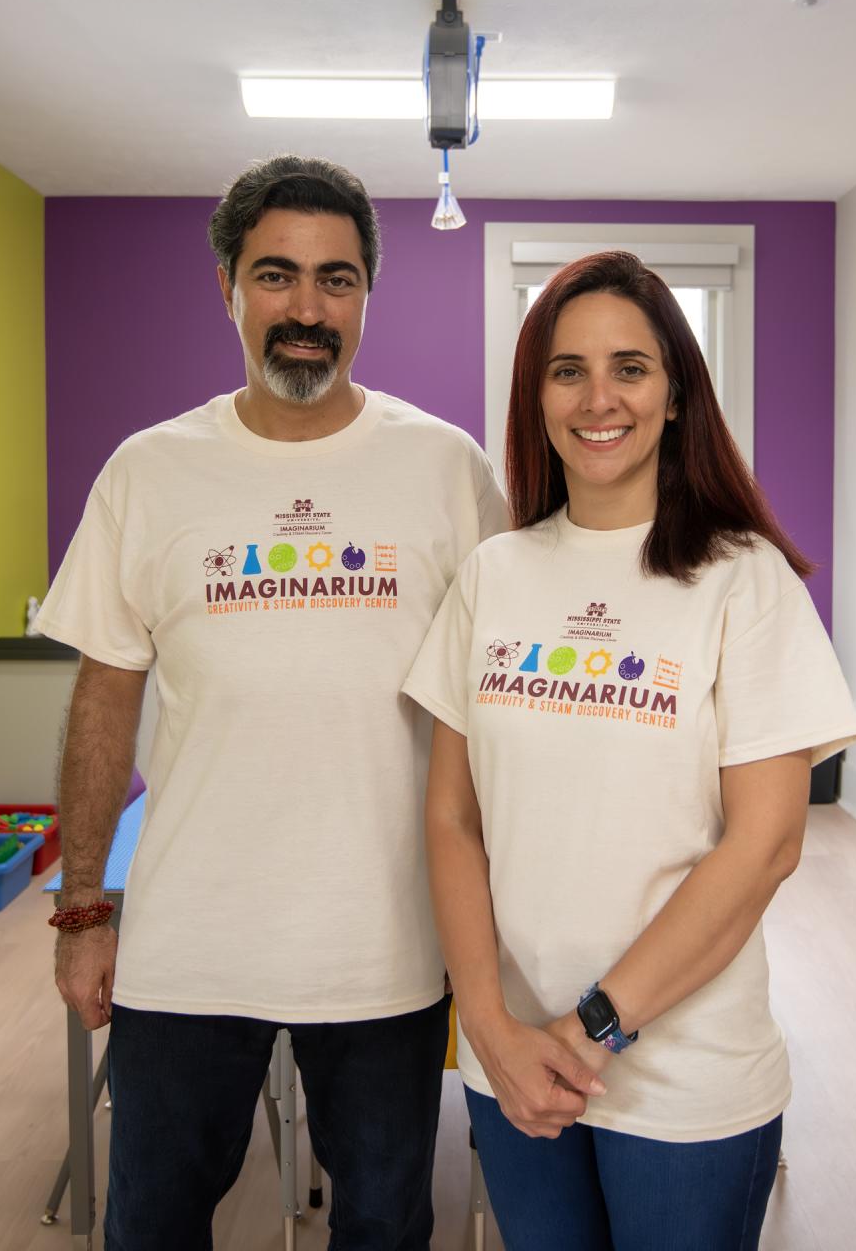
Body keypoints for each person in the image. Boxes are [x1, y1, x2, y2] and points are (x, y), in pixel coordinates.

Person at [36, 155, 507, 1250]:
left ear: (366, 296)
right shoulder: (148, 472)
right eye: (277, 275)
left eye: (336, 280)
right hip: (190, 939)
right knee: (150, 1220)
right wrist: (80, 908)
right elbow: (105, 705)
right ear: (227, 286)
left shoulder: (447, 469)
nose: (306, 308)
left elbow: (496, 710)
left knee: (386, 1221)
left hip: (389, 939)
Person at [403, 250, 856, 1249]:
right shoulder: (494, 573)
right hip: (512, 1061)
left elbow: (767, 842)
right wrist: (486, 1021)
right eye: (566, 369)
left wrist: (588, 1027)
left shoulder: (745, 582)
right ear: (536, 395)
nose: (597, 396)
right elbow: (450, 814)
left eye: (629, 366)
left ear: (674, 396)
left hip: (684, 1074)